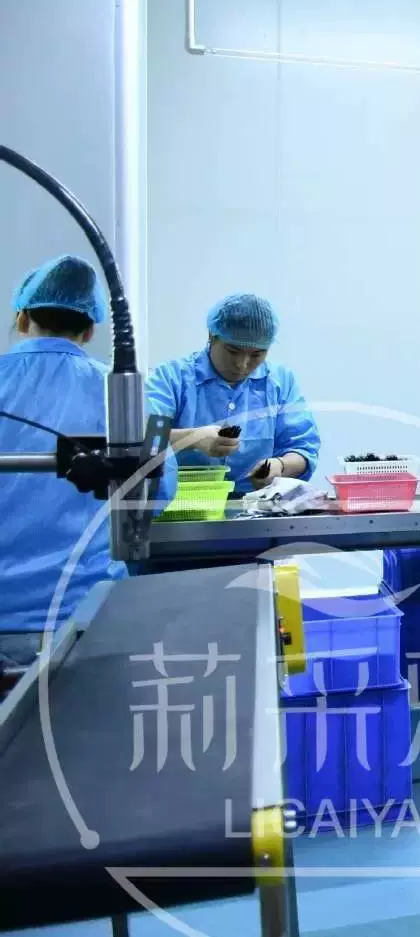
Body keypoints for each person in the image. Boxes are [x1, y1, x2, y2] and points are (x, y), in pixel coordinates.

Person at [0, 256, 175, 667]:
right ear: (91, 329)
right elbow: (157, 492)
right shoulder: (118, 393)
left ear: (22, 318)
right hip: (84, 613)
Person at [147, 294, 320, 493]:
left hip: (256, 505)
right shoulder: (171, 378)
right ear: (212, 336)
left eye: (256, 354)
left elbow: (303, 448)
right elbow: (138, 439)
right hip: (182, 504)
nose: (242, 364)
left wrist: (280, 466)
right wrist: (192, 438)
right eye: (232, 351)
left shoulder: (280, 382)